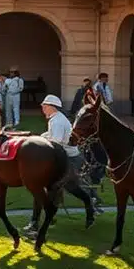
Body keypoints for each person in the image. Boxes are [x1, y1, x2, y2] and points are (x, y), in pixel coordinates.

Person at [25, 95, 97, 231]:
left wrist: (41, 143)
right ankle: (41, 220)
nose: (43, 109)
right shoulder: (56, 119)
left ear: (51, 107)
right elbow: (51, 136)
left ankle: (38, 222)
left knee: (60, 189)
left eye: (44, 107)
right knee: (52, 190)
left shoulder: (57, 121)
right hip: (65, 157)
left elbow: (56, 142)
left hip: (69, 159)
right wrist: (39, 137)